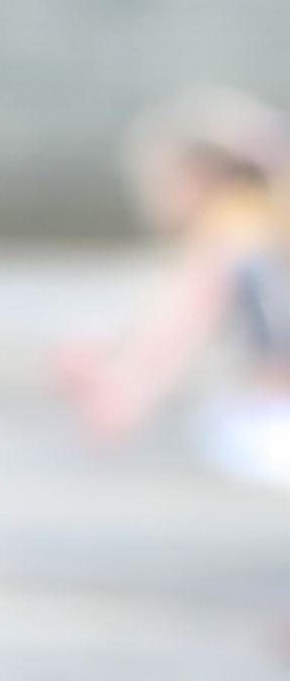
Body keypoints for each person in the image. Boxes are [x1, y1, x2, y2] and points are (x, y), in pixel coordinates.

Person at [54, 86, 290, 490]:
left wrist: (124, 392)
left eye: (162, 181)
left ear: (200, 176)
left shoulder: (231, 229)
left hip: (272, 425)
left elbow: (181, 321)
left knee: (217, 433)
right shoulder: (262, 222)